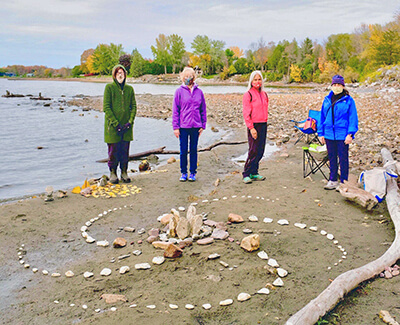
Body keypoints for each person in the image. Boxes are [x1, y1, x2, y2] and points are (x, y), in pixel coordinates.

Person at [318, 74, 358, 190]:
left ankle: (344, 181)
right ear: (331, 86)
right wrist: (321, 133)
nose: (336, 87)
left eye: (339, 84)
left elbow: (353, 118)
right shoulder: (326, 100)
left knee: (343, 158)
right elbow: (322, 117)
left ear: (343, 86)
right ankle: (332, 180)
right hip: (329, 133)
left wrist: (350, 134)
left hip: (342, 135)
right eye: (334, 84)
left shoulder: (349, 101)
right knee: (332, 158)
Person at [103, 64, 137, 184]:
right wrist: (115, 123)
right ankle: (113, 172)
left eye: (122, 72)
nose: (120, 75)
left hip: (126, 126)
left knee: (124, 150)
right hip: (113, 127)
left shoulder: (129, 89)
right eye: (118, 73)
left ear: (125, 75)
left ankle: (124, 172)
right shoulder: (109, 88)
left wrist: (130, 121)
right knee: (113, 151)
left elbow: (133, 107)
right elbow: (106, 108)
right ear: (114, 75)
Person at [172, 67, 207, 182]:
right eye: (186, 76)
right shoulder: (179, 92)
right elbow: (175, 110)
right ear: (182, 77)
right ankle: (183, 172)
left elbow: (203, 109)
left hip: (195, 126)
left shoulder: (199, 92)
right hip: (183, 126)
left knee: (193, 150)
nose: (188, 78)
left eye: (190, 76)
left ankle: (192, 172)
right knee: (183, 151)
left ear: (194, 77)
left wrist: (203, 125)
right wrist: (175, 127)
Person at [242, 70, 269, 184]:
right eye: (255, 79)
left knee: (260, 150)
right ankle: (246, 173)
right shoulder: (248, 94)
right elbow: (246, 113)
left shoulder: (264, 94)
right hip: (254, 125)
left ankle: (254, 172)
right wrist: (251, 128)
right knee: (253, 150)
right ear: (251, 81)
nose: (258, 82)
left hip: (263, 123)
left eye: (259, 79)